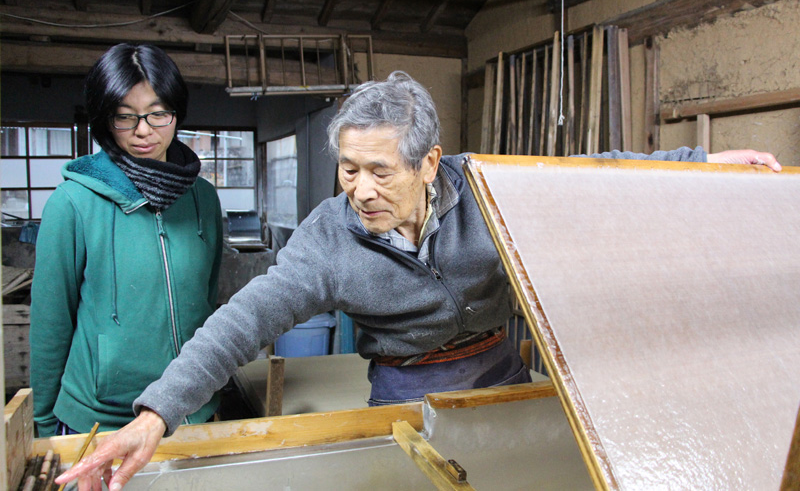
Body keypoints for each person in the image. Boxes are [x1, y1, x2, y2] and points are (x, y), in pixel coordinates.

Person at [56, 71, 781, 490]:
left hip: (506, 371)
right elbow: (239, 322)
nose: (359, 189)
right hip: (404, 387)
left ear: (432, 163)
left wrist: (703, 164)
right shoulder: (327, 240)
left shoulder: (492, 189)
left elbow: (600, 177)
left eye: (381, 170)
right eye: (347, 167)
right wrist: (154, 417)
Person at [30, 43, 223, 437]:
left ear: (176, 112)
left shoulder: (203, 198)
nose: (143, 131)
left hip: (191, 411)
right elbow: (51, 323)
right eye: (124, 117)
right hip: (100, 422)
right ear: (104, 120)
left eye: (158, 114)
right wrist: (44, 425)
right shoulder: (72, 203)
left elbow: (210, 300)